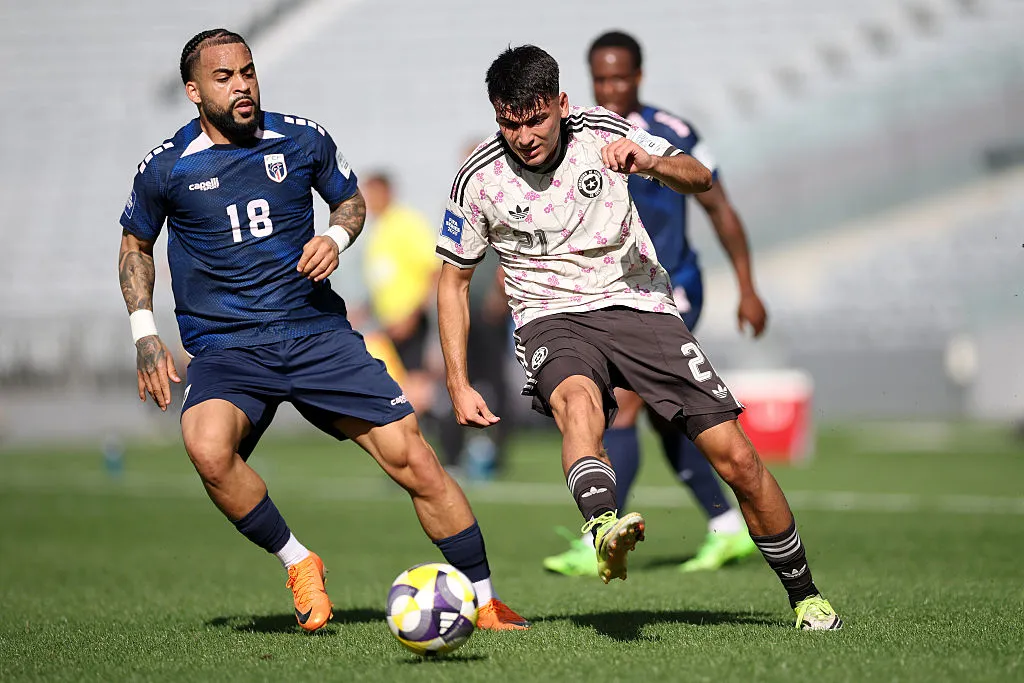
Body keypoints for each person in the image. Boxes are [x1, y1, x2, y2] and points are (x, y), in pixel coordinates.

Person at [116, 29, 528, 633]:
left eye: (248, 72)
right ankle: (299, 561)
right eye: (224, 77)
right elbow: (136, 245)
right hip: (228, 347)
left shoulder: (303, 138)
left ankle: (486, 600)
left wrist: (335, 238)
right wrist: (145, 333)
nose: (242, 86)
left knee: (415, 459)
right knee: (207, 449)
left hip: (316, 335)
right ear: (194, 91)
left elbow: (350, 202)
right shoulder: (166, 166)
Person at [435, 44, 841, 629]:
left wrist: (648, 162)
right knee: (577, 403)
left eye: (536, 120)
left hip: (638, 304)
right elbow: (453, 282)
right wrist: (457, 381)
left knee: (738, 460)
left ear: (562, 104)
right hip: (551, 316)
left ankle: (806, 596)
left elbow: (701, 177)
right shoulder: (478, 178)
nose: (523, 137)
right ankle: (603, 524)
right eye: (509, 123)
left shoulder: (606, 132)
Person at [544, 31, 767, 576]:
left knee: (624, 401)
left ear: (639, 77)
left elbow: (719, 207)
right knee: (671, 418)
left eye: (620, 78)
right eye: (601, 80)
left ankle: (599, 535)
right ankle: (725, 526)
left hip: (671, 287)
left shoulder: (670, 133)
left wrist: (747, 287)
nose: (610, 89)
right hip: (612, 292)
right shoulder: (581, 136)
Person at [360, 172, 441, 415]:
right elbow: (384, 280)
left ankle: (436, 430)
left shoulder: (406, 223)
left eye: (373, 194)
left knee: (416, 386)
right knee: (398, 385)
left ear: (387, 192)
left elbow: (433, 271)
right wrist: (364, 311)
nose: (368, 201)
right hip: (389, 322)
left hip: (410, 320)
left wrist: (412, 316)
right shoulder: (378, 230)